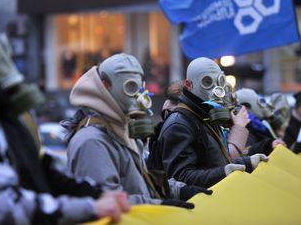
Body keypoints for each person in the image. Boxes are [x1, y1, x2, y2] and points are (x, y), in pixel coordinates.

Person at [0, 9, 129, 224]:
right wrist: (91, 207)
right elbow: (3, 207)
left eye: (2, 48)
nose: (1, 59)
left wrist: (96, 193)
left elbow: (37, 167)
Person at [64, 53, 210, 208]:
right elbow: (107, 204)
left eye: (139, 88)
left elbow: (140, 184)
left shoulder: (122, 130)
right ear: (105, 85)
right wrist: (159, 205)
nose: (137, 96)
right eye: (130, 87)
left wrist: (179, 191)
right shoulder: (92, 142)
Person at [153, 57, 268, 189]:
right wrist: (224, 172)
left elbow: (215, 163)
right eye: (207, 82)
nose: (215, 89)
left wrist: (247, 162)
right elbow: (181, 178)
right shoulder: (179, 124)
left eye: (219, 81)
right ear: (189, 84)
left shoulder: (204, 117)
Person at [234, 88, 286, 157]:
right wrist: (269, 145)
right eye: (260, 102)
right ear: (245, 107)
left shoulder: (261, 125)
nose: (263, 106)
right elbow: (248, 152)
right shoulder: (245, 130)